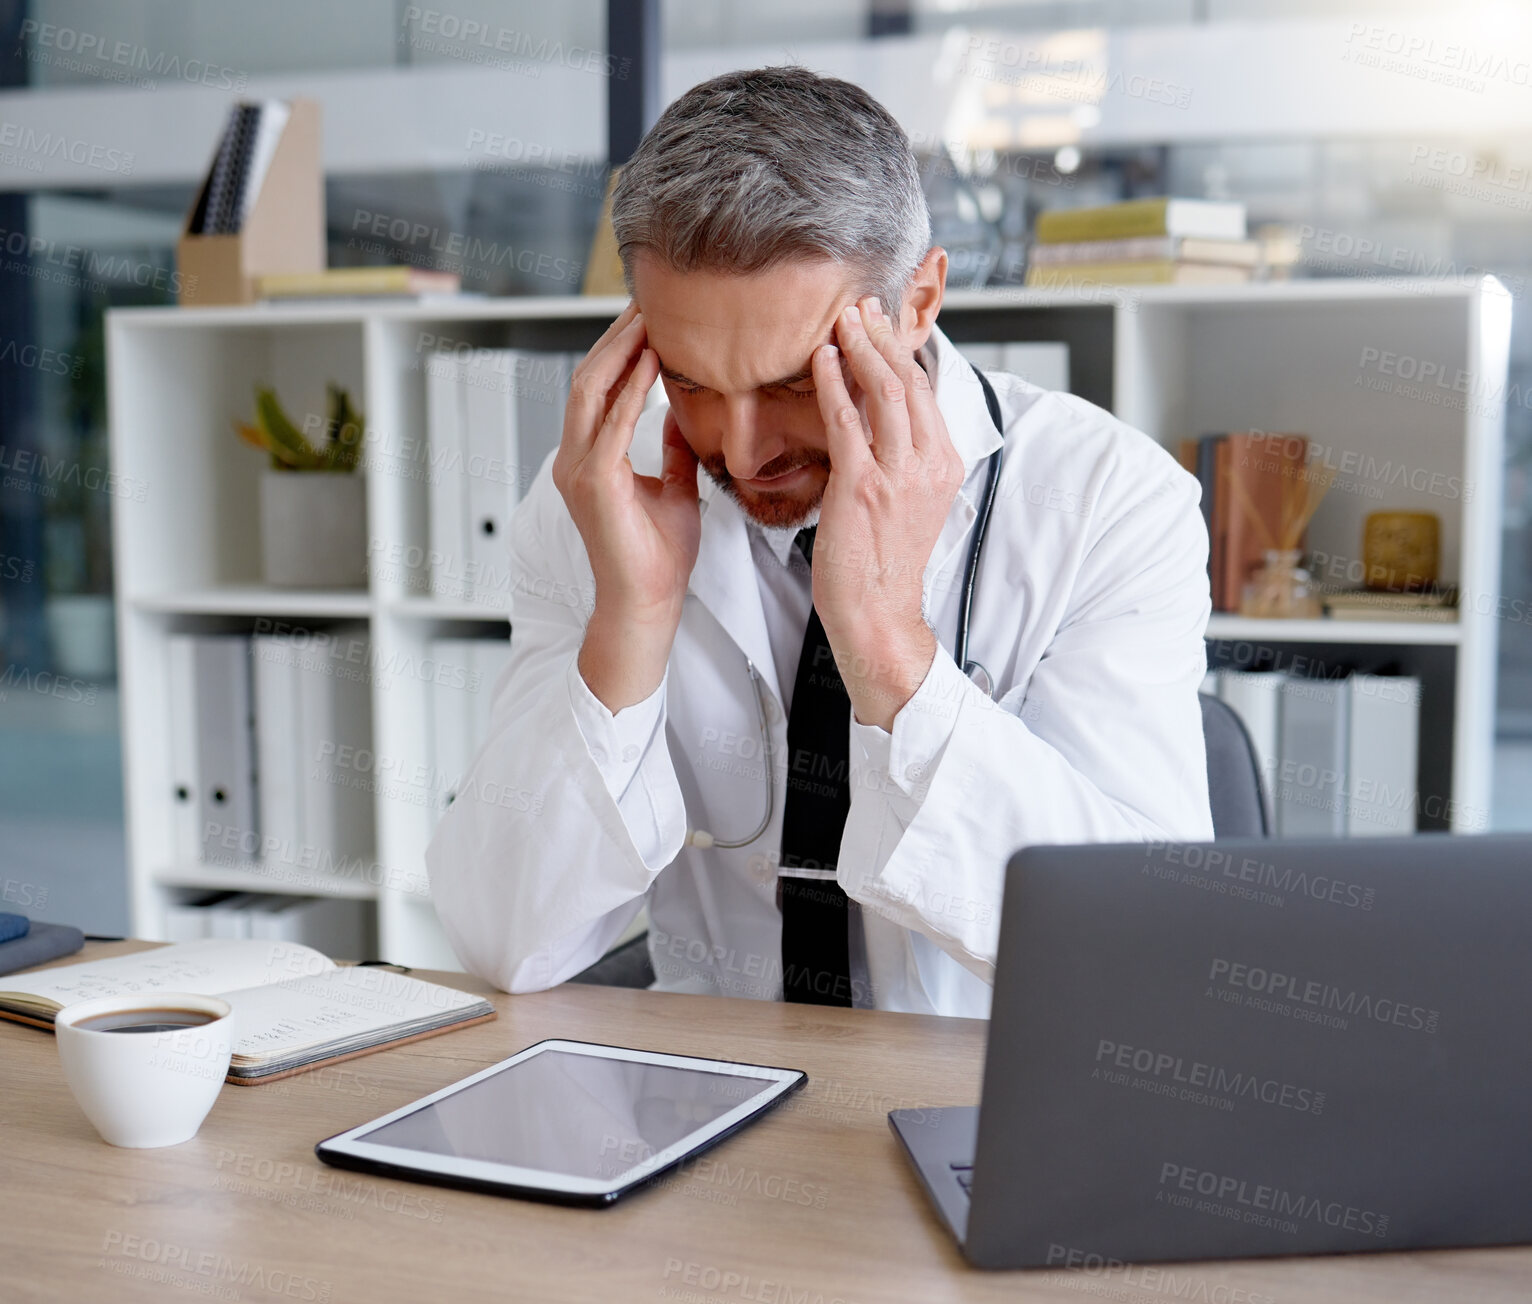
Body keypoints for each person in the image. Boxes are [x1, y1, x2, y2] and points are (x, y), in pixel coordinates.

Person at [427, 66, 1212, 1018]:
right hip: (706, 1099)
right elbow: (506, 941)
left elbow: (1145, 959)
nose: (743, 451)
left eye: (796, 382)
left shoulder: (1108, 502)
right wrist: (629, 621)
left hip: (986, 1101)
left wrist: (889, 652)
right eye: (694, 381)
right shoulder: (595, 501)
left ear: (918, 302)